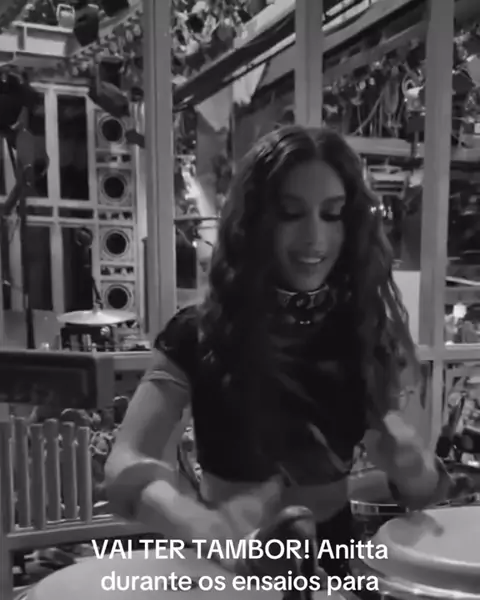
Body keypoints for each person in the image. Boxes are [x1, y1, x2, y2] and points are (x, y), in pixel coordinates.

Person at [105, 125, 450, 555]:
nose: (314, 238)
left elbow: (422, 489)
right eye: (290, 213)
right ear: (254, 220)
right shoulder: (197, 330)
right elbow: (122, 462)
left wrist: (413, 468)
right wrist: (196, 522)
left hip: (334, 565)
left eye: (332, 214)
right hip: (228, 569)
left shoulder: (364, 330)